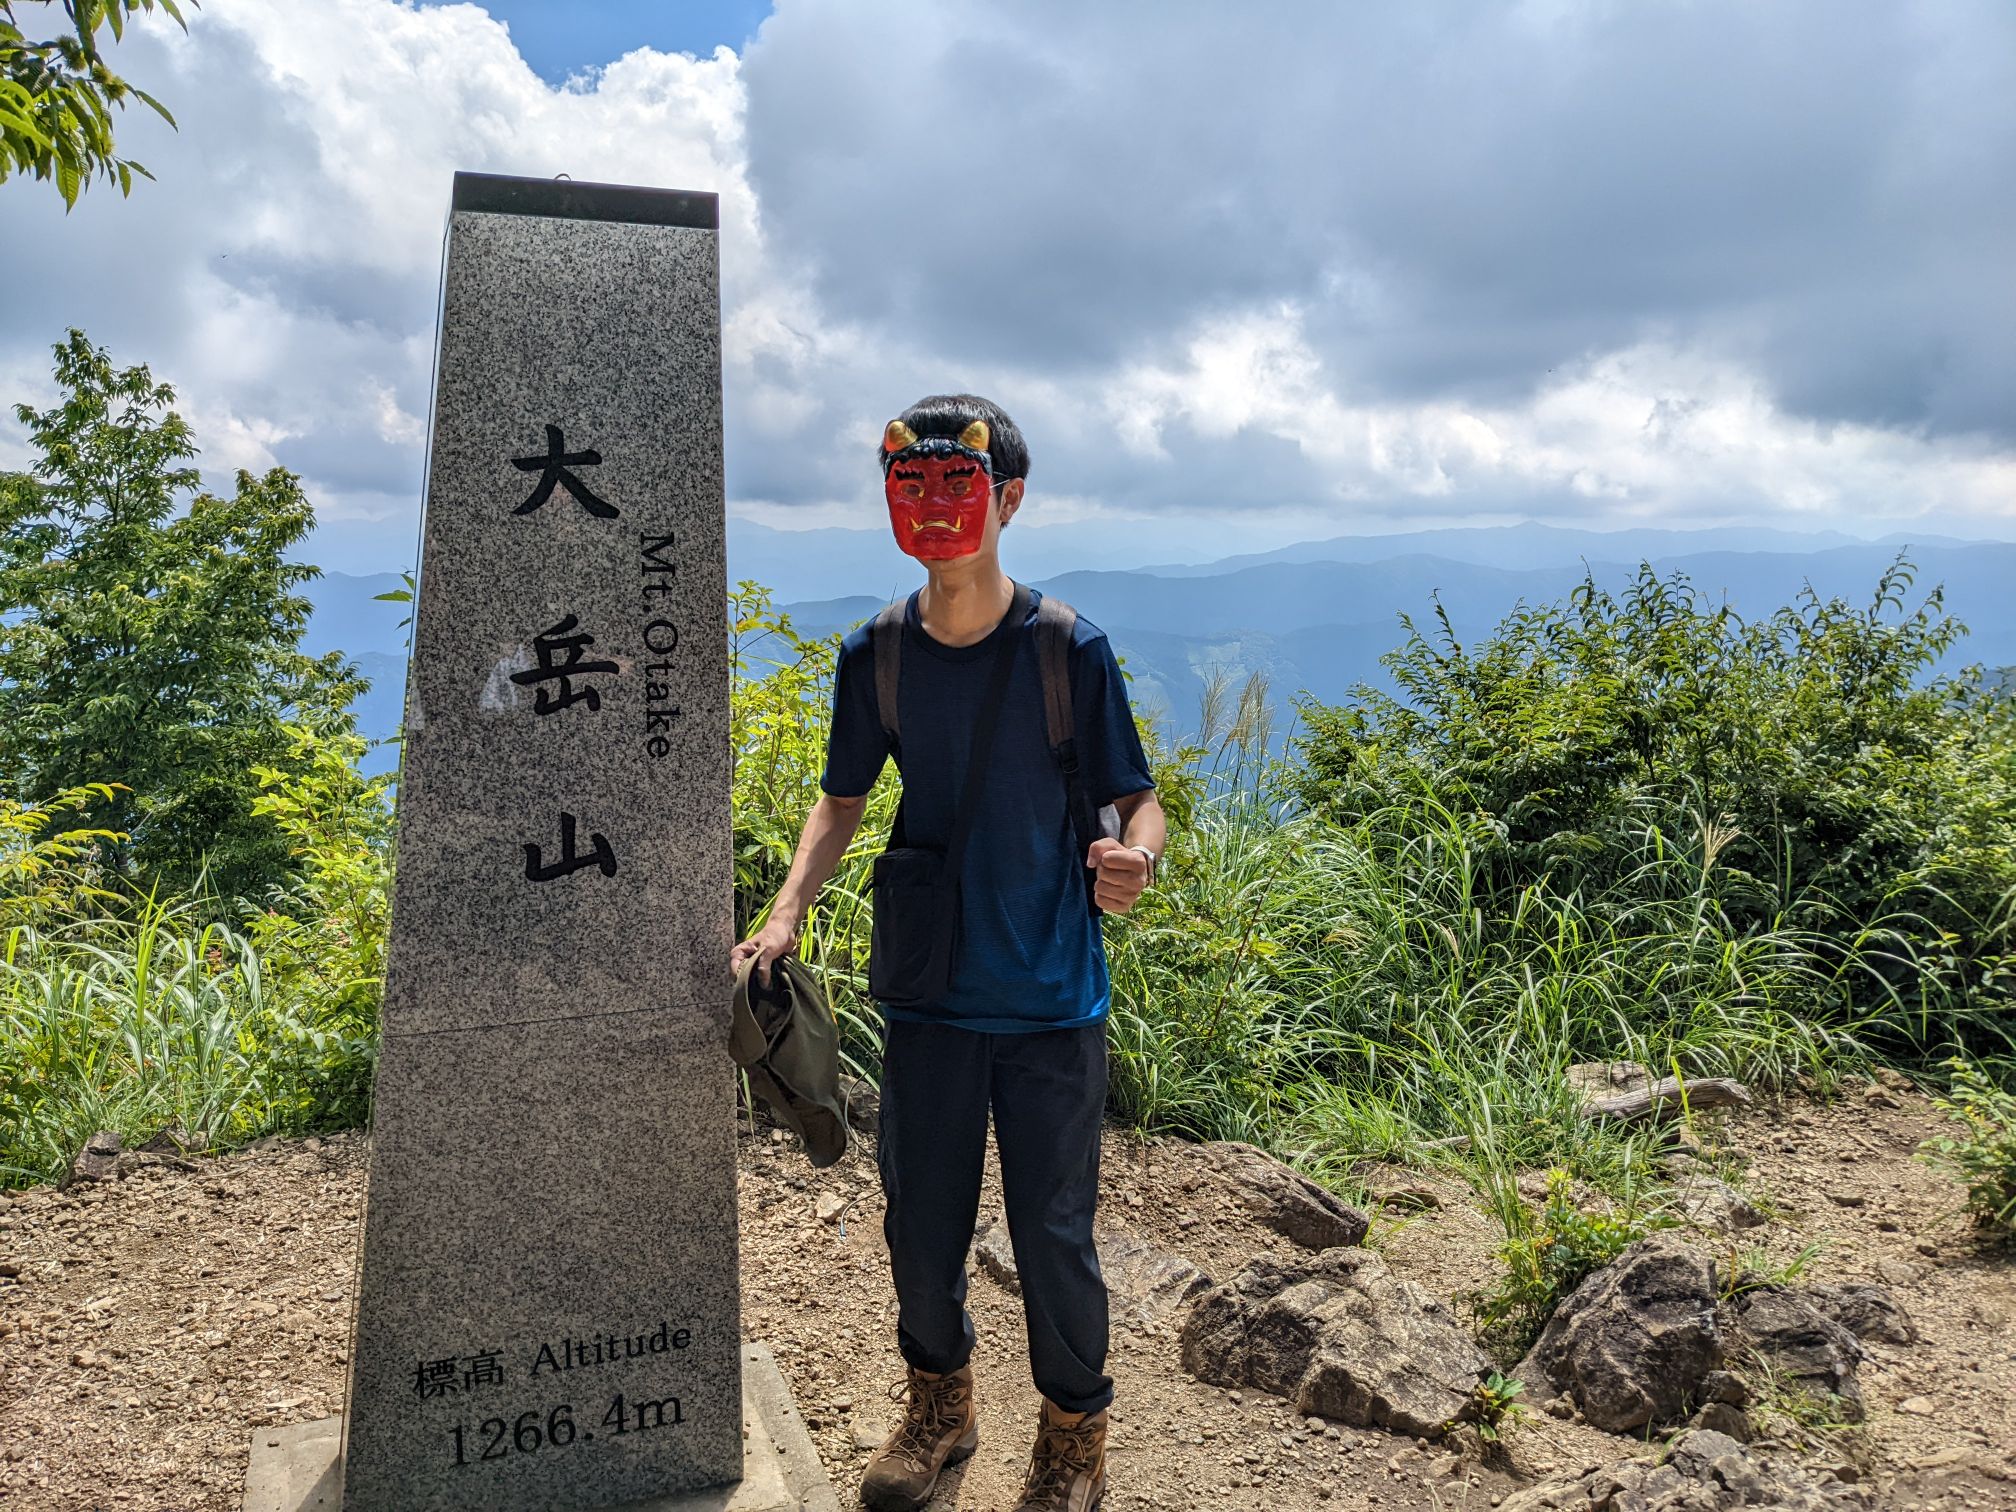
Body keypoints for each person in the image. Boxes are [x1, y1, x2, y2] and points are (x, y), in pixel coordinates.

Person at [730, 393, 1165, 1512]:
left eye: (955, 486)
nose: (930, 508)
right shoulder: (876, 653)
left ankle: (1073, 1439)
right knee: (919, 1228)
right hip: (928, 997)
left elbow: (1135, 799)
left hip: (1053, 998)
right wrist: (783, 915)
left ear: (1009, 499)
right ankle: (942, 1410)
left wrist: (1135, 859)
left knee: (1054, 1238)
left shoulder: (1069, 650)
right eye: (907, 486)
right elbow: (839, 804)